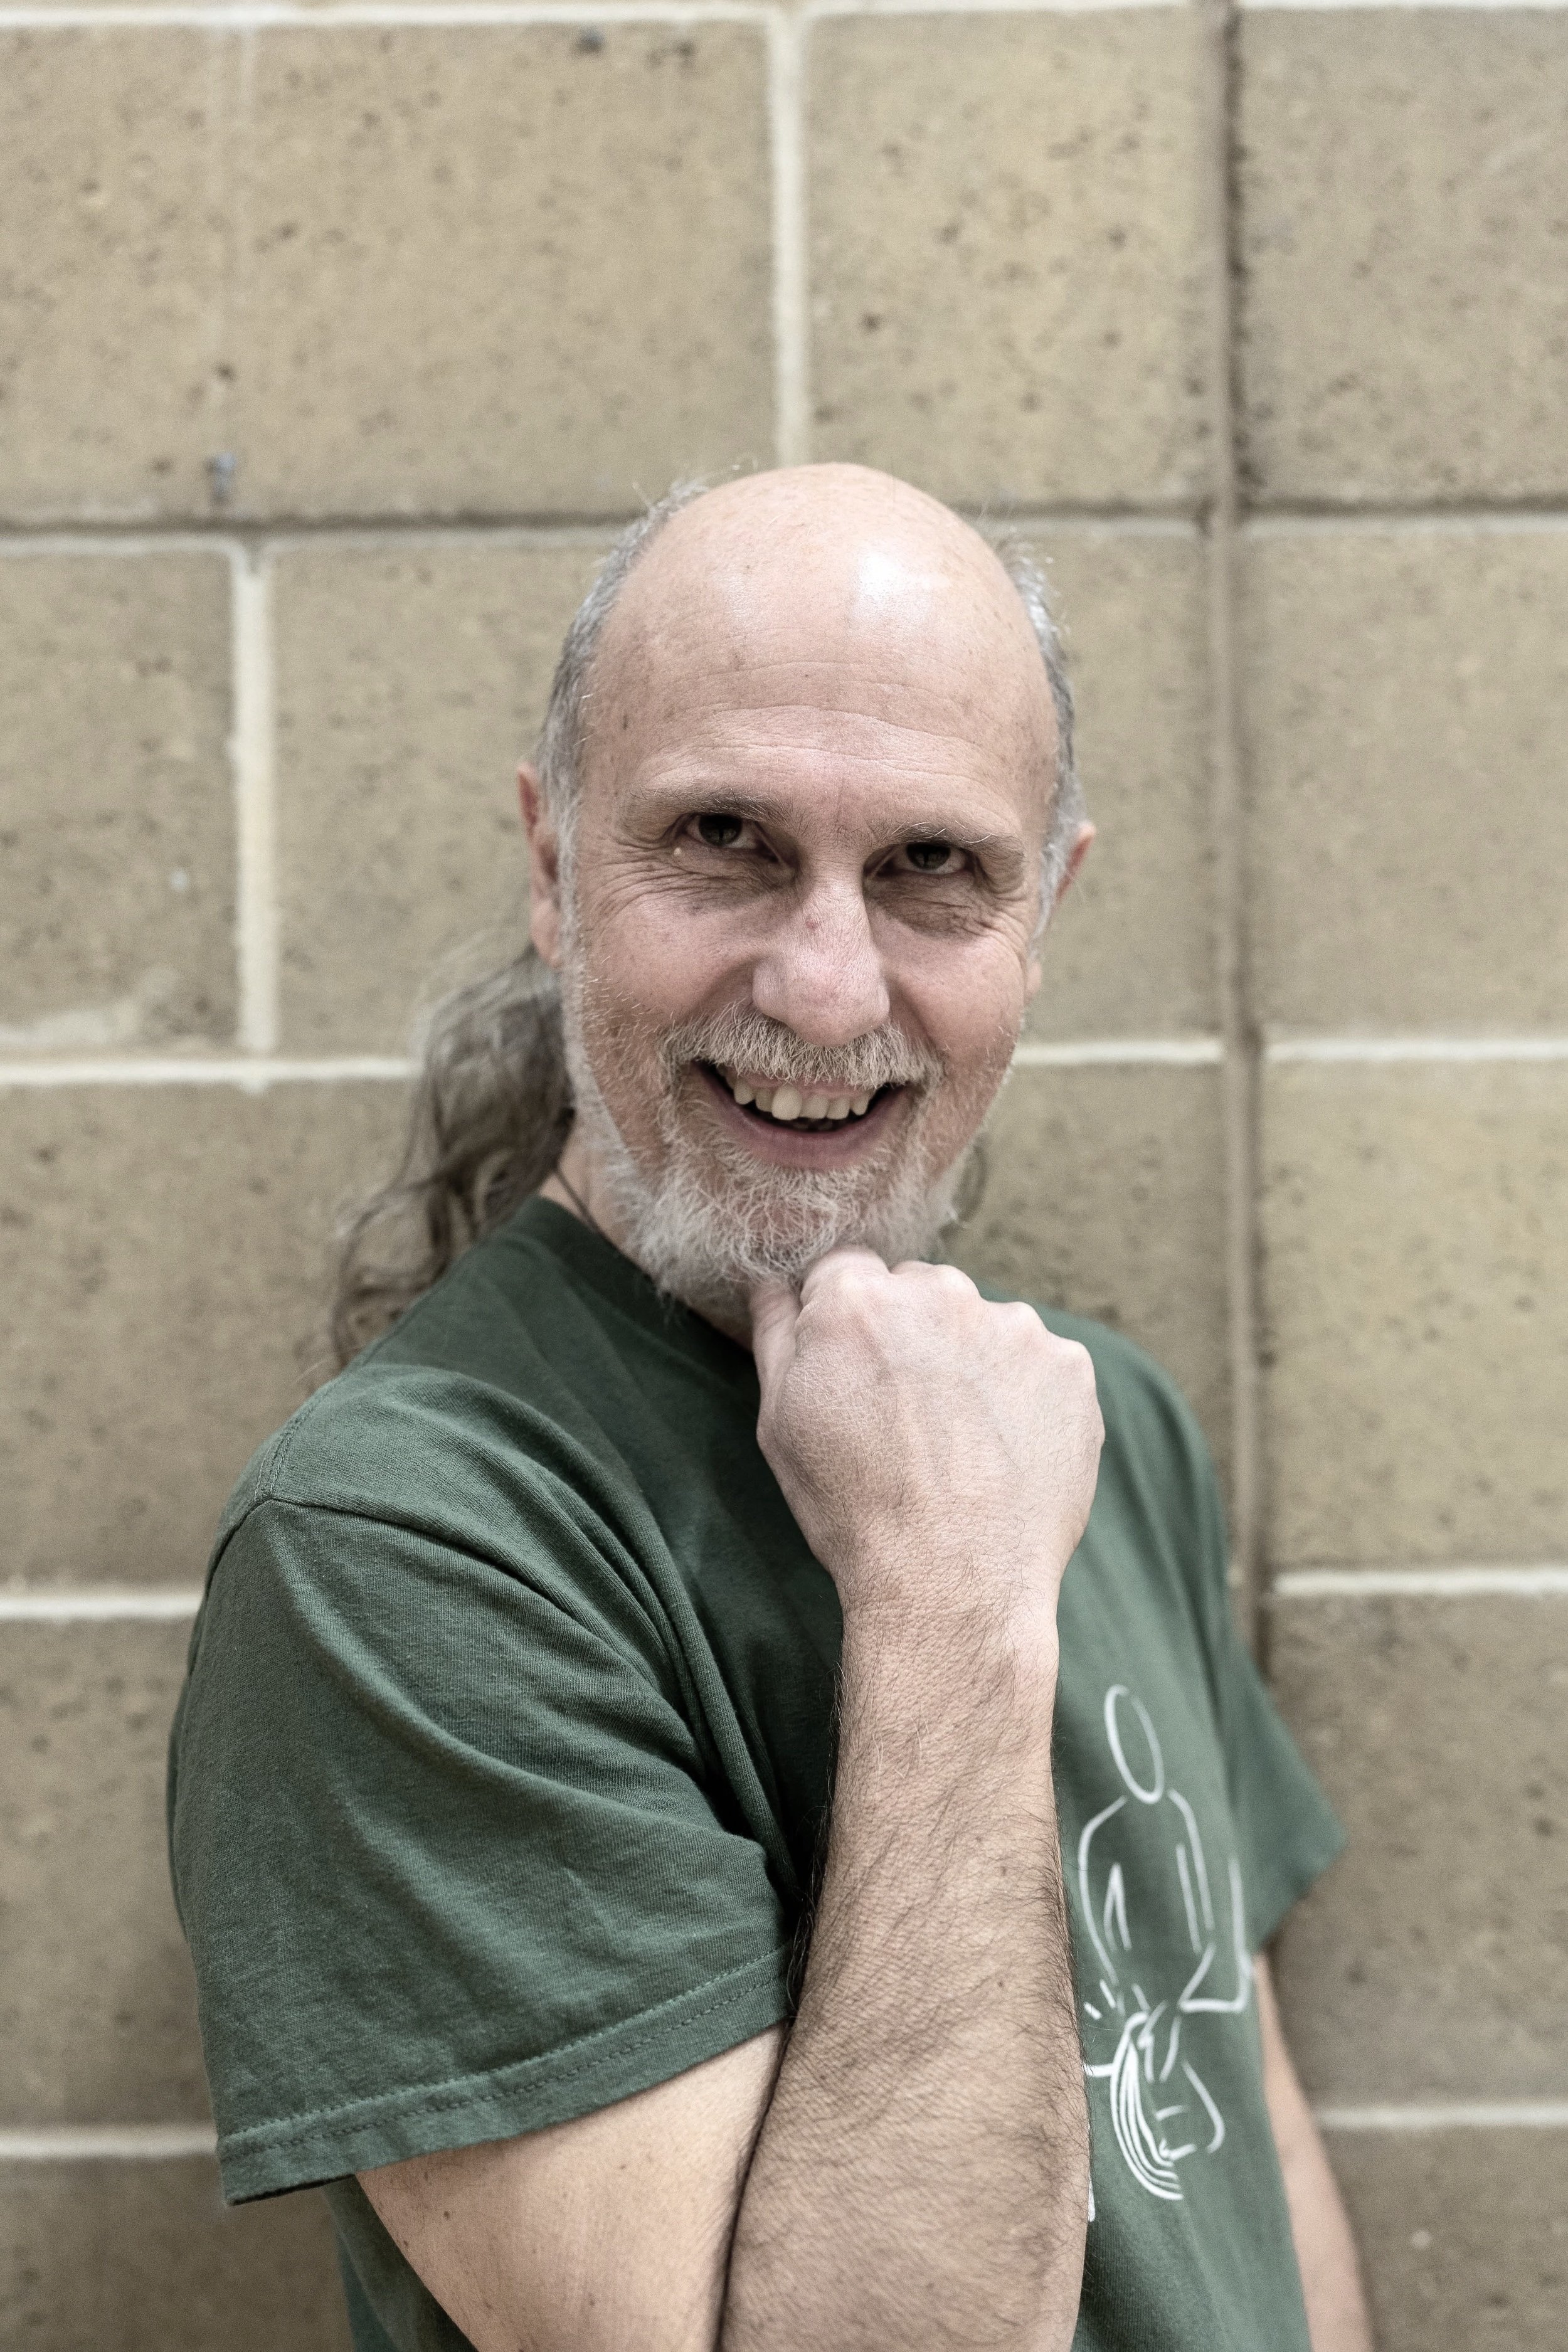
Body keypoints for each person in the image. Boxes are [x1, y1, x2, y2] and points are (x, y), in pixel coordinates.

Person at [168, 465, 1372, 2352]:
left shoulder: (1097, 1416)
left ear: (1043, 912)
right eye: (723, 840)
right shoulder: (405, 1550)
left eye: (932, 867)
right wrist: (953, 1603)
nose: (824, 990)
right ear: (556, 869)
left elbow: (1245, 2158)